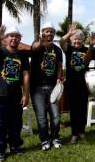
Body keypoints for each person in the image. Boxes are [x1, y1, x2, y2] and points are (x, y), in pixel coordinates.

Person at [0, 25, 30, 161]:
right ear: (6, 39)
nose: (14, 38)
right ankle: (0, 149)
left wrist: (26, 94)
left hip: (16, 95)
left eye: (17, 36)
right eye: (11, 35)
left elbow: (25, 75)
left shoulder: (22, 55)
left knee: (16, 123)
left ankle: (15, 146)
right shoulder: (0, 52)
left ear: (20, 39)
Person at [31, 22, 63, 150]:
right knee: (42, 117)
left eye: (51, 31)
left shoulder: (57, 50)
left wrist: (59, 79)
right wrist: (41, 43)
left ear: (54, 33)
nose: (49, 33)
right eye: (46, 31)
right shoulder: (37, 45)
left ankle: (55, 137)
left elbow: (60, 67)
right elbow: (35, 48)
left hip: (52, 86)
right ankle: (44, 140)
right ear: (42, 33)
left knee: (56, 115)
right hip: (36, 88)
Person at [59, 25, 90, 143]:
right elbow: (61, 42)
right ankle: (74, 133)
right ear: (72, 40)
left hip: (83, 84)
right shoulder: (69, 49)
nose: (77, 41)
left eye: (79, 39)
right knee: (73, 109)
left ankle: (81, 132)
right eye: (75, 39)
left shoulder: (86, 50)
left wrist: (91, 45)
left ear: (82, 40)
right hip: (71, 84)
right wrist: (69, 34)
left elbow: (91, 56)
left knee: (82, 109)